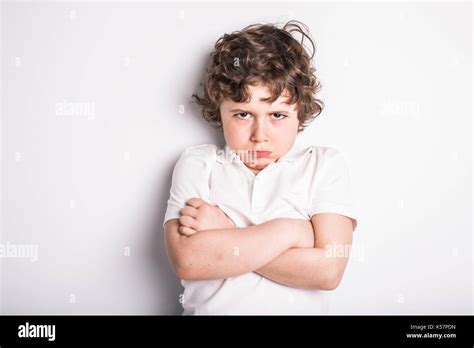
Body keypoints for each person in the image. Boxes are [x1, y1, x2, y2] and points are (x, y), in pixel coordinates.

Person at [162, 20, 358, 315]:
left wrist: (225, 231)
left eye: (277, 115)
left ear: (300, 112)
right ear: (219, 109)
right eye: (243, 114)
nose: (260, 134)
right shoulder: (199, 164)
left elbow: (328, 271)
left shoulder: (323, 165)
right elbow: (188, 262)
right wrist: (292, 233)